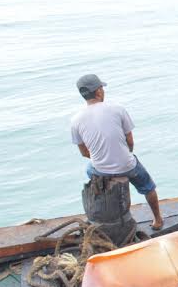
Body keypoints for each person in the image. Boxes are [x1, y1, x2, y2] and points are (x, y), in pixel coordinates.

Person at [70, 74, 164, 230]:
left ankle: (104, 195)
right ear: (99, 91)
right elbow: (130, 141)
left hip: (101, 170)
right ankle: (158, 220)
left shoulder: (75, 120)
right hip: (127, 165)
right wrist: (124, 155)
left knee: (89, 169)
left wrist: (103, 160)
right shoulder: (118, 109)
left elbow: (84, 153)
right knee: (148, 187)